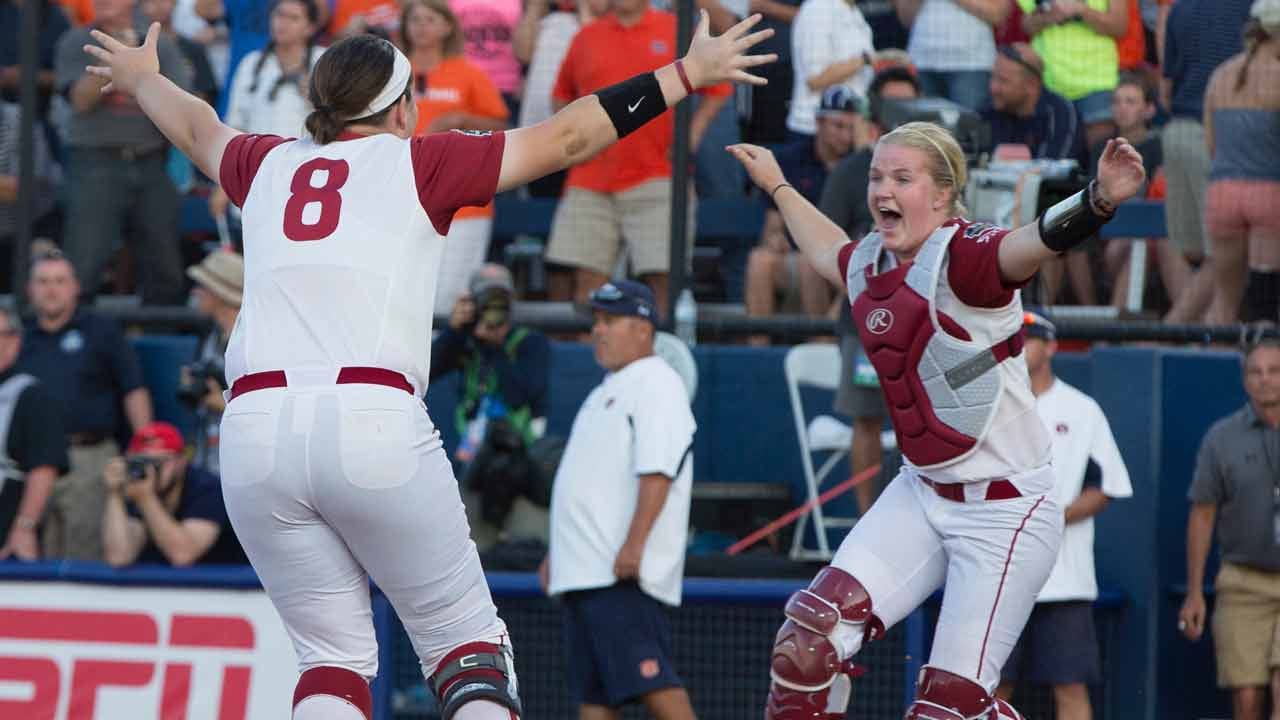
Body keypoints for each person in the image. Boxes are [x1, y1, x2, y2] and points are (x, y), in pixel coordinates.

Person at [81, 10, 772, 718]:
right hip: (370, 415)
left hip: (253, 430)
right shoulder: (422, 160)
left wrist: (142, 79)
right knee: (465, 647)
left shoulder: (266, 162)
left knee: (332, 661)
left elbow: (196, 126)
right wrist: (686, 74)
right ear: (405, 107)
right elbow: (570, 134)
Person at [727, 116, 1146, 718]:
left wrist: (1098, 199)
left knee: (948, 708)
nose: (883, 191)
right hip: (922, 493)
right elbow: (824, 248)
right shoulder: (872, 262)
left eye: (903, 178)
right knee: (807, 645)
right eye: (876, 177)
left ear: (944, 194)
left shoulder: (968, 254)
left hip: (1004, 512)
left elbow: (1033, 241)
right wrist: (778, 184)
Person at [539, 280, 698, 720]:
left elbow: (658, 471)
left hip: (618, 573)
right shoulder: (604, 390)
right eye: (597, 321)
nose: (599, 331)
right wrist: (561, 552)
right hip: (583, 571)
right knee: (594, 701)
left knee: (656, 685)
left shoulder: (658, 383)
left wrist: (634, 545)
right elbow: (587, 482)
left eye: (611, 320)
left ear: (644, 328)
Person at [544, 0, 731, 318]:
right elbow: (561, 96)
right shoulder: (587, 36)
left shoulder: (675, 29)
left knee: (663, 278)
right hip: (591, 177)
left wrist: (692, 134)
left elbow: (720, 87)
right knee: (585, 279)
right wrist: (576, 139)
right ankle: (590, 361)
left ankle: (657, 355)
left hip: (659, 174)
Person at [996, 311, 1133, 720]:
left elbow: (1106, 486)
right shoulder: (991, 406)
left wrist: (1050, 517)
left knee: (1071, 687)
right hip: (999, 574)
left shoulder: (1081, 409)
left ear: (1052, 346)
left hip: (1065, 578)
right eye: (1012, 340)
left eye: (1029, 339)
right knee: (990, 686)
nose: (1019, 348)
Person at [818, 64, 920, 515]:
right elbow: (827, 237)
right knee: (866, 416)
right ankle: (867, 518)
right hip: (867, 319)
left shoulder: (936, 172)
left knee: (920, 419)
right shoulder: (854, 172)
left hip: (925, 318)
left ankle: (917, 516)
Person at [18, 251, 153, 561]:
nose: (51, 289)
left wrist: (145, 442)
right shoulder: (20, 338)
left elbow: (133, 389)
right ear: (30, 290)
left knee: (84, 555)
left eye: (60, 281)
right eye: (43, 282)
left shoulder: (102, 331)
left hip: (90, 457)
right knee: (36, 554)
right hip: (34, 461)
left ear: (75, 287)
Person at [54, 0, 191, 305]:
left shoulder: (159, 45)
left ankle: (164, 343)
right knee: (84, 262)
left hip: (151, 160)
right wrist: (119, 59)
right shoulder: (76, 40)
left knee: (164, 264)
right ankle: (73, 341)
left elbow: (180, 103)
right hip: (95, 161)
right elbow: (80, 100)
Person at [1179, 339, 1280, 720]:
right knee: (1247, 698)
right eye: (1256, 372)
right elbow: (1202, 514)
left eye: (1274, 371)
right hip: (1242, 581)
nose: (1265, 380)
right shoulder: (1221, 438)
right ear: (1244, 379)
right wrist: (1194, 593)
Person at [401, 0, 509, 309]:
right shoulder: (394, 71)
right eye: (415, 19)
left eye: (430, 19)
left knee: (448, 297)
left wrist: (460, 119)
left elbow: (500, 124)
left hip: (462, 201)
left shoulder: (468, 73)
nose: (421, 26)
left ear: (448, 26)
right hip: (403, 193)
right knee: (406, 291)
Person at [431, 263, 550, 528]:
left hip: (522, 466)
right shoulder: (465, 341)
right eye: (487, 300)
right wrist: (454, 330)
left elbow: (523, 395)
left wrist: (496, 348)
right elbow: (426, 373)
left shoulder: (530, 343)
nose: (494, 309)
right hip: (474, 464)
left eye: (501, 299)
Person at [1159, 0, 1253, 324]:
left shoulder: (1178, 10)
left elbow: (1166, 90)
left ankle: (1189, 337)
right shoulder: (1250, 10)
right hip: (1219, 137)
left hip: (1177, 133)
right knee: (1225, 253)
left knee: (1187, 249)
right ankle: (1178, 330)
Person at [745, 85, 859, 345]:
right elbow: (773, 224)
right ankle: (758, 355)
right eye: (838, 126)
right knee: (760, 261)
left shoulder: (862, 164)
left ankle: (821, 348)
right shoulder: (791, 159)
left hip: (844, 261)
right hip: (796, 256)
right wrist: (774, 239)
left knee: (812, 262)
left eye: (851, 128)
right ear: (818, 123)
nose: (845, 135)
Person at [1202, 0, 1280, 325]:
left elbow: (1211, 143)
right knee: (1264, 297)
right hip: (1269, 194)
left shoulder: (1221, 74)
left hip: (1221, 192)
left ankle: (1212, 365)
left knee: (1225, 297)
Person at [209, 0, 324, 222]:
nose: (283, 23)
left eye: (293, 18)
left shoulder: (325, 61)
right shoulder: (252, 63)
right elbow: (234, 130)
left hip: (309, 180)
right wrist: (224, 184)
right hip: (257, 176)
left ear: (310, 28)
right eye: (279, 15)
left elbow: (344, 121)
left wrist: (318, 100)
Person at [101, 421, 246, 566]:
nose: (151, 469)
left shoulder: (208, 489)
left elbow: (183, 555)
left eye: (159, 462)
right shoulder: (138, 486)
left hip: (221, 583)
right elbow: (119, 557)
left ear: (182, 460)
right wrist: (115, 494)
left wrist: (147, 499)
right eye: (143, 461)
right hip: (162, 585)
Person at [512, 0, 610, 199]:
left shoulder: (601, 23)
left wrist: (582, 6)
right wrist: (534, 7)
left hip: (580, 129)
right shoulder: (545, 19)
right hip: (538, 125)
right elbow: (523, 53)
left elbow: (593, 48)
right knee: (538, 197)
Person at [0, 305, 68, 562]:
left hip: (6, 536)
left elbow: (44, 467)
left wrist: (24, 527)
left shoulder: (31, 395)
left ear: (14, 341)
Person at [1017, 0, 1127, 149]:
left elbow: (1119, 26)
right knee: (1051, 161)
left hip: (1097, 80)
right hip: (1051, 82)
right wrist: (1047, 16)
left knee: (1100, 158)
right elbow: (1026, 25)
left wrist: (1080, 10)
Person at [183, 249, 242, 474]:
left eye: (203, 286)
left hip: (241, 459)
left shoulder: (252, 341)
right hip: (208, 450)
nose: (195, 292)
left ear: (221, 293)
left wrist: (221, 403)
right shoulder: (211, 336)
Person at [982, 43, 1086, 168]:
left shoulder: (1060, 115)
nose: (993, 88)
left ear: (1031, 85)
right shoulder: (990, 109)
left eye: (1003, 81)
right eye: (992, 77)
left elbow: (1053, 172)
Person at [894, 0, 1010, 111]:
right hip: (922, 60)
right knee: (918, 129)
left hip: (971, 63)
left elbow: (998, 14)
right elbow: (904, 18)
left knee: (969, 127)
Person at [786, 0, 874, 140]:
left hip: (851, 127)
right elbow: (815, 79)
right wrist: (866, 60)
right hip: (814, 129)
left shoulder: (854, 11)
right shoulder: (817, 8)